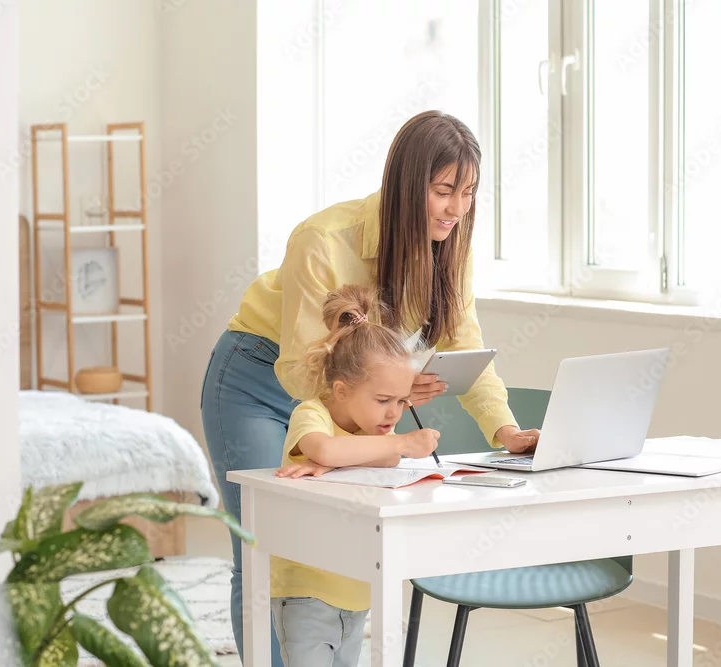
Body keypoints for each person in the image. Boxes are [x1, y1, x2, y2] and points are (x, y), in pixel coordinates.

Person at [200, 109, 540, 665]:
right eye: (443, 192)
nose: (457, 209)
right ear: (407, 185)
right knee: (263, 546)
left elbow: (466, 348)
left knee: (329, 546)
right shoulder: (322, 239)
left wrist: (507, 431)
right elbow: (302, 369)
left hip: (349, 397)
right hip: (259, 376)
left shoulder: (450, 247)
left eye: (468, 193)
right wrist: (382, 393)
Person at [269, 285, 439, 666]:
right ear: (342, 390)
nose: (393, 414)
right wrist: (401, 443)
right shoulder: (311, 414)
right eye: (383, 400)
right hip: (308, 590)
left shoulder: (372, 431)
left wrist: (338, 463)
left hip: (357, 590)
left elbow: (384, 460)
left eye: (401, 401)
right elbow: (324, 448)